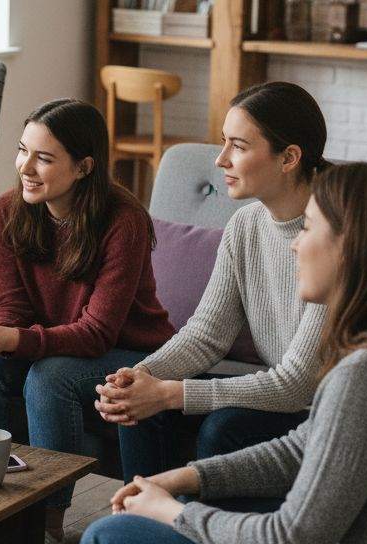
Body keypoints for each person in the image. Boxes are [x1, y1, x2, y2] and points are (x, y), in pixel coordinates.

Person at [72, 162, 367, 544]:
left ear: (354, 247)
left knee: (109, 541)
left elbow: (289, 542)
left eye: (311, 227)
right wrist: (189, 476)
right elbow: (306, 445)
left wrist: (173, 513)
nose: (295, 243)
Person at [0, 99, 174, 544]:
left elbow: (97, 331)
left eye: (44, 158)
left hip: (131, 352)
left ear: (83, 167)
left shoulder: (123, 220)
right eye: (22, 151)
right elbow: (11, 304)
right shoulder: (10, 209)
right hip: (53, 345)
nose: (25, 168)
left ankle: (47, 532)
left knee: (48, 376)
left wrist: (12, 339)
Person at [95, 82, 330, 489]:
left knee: (223, 428)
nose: (221, 159)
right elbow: (206, 335)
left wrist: (169, 394)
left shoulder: (336, 234)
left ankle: (193, 534)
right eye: (223, 143)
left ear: (289, 157)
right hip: (283, 395)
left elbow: (296, 385)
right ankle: (145, 524)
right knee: (139, 406)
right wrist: (141, 376)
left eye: (238, 146)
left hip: (324, 409)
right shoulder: (244, 226)